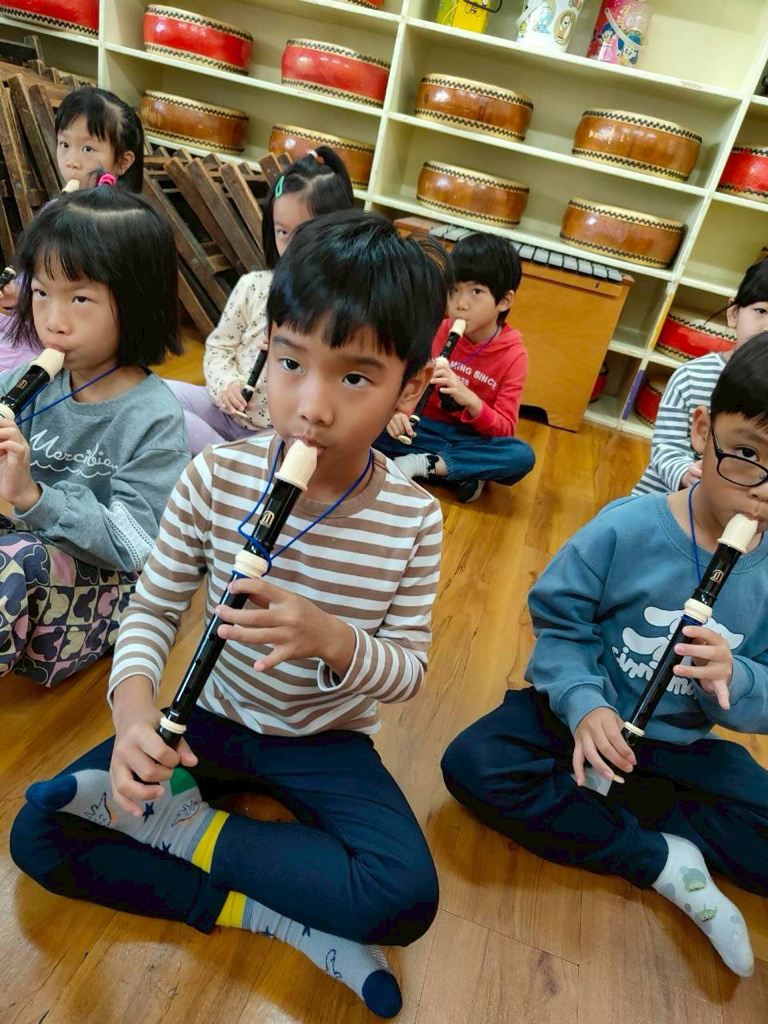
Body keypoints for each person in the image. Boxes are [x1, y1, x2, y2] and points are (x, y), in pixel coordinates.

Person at [12, 211, 447, 1018]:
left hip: (325, 738)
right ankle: (265, 911)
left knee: (405, 895)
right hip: (207, 717)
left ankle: (184, 834)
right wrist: (135, 718)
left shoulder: (414, 519)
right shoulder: (215, 474)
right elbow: (152, 608)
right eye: (291, 363)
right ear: (266, 349)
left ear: (410, 388)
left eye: (354, 378)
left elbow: (409, 672)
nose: (311, 407)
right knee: (36, 837)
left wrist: (333, 639)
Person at [441, 335, 768, 980]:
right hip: (581, 717)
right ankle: (660, 858)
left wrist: (739, 677)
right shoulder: (629, 526)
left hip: (681, 745)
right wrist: (584, 702)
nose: (762, 492)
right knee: (475, 764)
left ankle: (611, 806)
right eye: (748, 455)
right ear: (703, 432)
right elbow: (559, 621)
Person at [0, 184, 189, 687]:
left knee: (17, 561)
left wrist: (32, 496)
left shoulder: (154, 419)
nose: (53, 320)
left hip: (106, 590)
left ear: (136, 302)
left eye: (80, 298)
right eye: (41, 293)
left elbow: (136, 544)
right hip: (32, 563)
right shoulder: (28, 383)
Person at [166, 148, 354, 455]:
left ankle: (223, 459)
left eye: (303, 233)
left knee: (292, 450)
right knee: (158, 396)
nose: (290, 245)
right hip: (226, 413)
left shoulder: (340, 309)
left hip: (277, 431)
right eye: (282, 231)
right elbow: (220, 346)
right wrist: (226, 385)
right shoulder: (253, 286)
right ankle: (228, 459)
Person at [375, 231, 535, 503]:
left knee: (520, 455)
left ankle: (422, 464)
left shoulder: (514, 355)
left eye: (476, 291)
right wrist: (397, 413)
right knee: (370, 421)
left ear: (504, 301)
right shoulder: (435, 328)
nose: (461, 303)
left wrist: (470, 400)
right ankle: (458, 470)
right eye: (454, 290)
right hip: (422, 429)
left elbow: (505, 429)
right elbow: (400, 380)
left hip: (467, 438)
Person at [0, 86, 145, 370]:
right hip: (36, 320)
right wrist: (17, 293)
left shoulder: (121, 227)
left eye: (88, 149)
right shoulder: (54, 209)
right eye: (64, 144)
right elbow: (37, 276)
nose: (72, 161)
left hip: (74, 340)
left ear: (123, 162)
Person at [634, 257, 768, 494]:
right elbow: (666, 447)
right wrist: (685, 473)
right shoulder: (690, 377)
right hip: (663, 498)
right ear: (734, 313)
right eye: (761, 311)